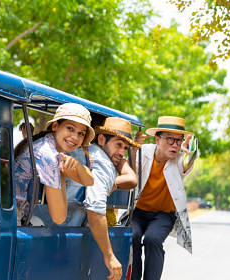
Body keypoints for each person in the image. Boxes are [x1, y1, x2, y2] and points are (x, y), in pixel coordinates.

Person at [127, 116, 196, 280]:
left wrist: (191, 151)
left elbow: (188, 162)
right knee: (133, 236)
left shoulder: (180, 159)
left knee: (153, 239)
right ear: (157, 139)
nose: (175, 145)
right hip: (138, 211)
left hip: (163, 215)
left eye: (179, 141)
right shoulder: (143, 152)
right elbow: (128, 170)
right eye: (170, 139)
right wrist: (134, 148)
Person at [79, 117, 141, 280]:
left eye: (125, 147)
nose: (122, 151)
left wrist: (113, 183)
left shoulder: (93, 152)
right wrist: (109, 256)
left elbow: (132, 179)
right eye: (118, 144)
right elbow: (95, 209)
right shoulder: (103, 163)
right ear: (101, 139)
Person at [14, 103, 95, 225]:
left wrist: (77, 165)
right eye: (70, 128)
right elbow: (59, 218)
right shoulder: (48, 156)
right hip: (13, 218)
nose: (74, 137)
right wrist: (61, 175)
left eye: (81, 133)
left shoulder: (47, 145)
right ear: (55, 126)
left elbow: (89, 181)